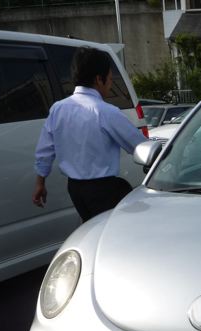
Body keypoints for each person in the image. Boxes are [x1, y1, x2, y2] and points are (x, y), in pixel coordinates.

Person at [32, 46, 146, 222]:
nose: (110, 85)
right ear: (99, 79)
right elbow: (140, 146)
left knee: (91, 226)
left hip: (75, 188)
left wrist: (40, 182)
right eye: (110, 79)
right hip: (103, 190)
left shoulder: (58, 109)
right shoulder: (106, 112)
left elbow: (45, 150)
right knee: (114, 228)